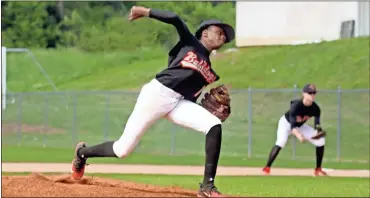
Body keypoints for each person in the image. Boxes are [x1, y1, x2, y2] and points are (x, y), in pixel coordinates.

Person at [70, 5, 235, 198]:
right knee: (122, 149)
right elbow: (175, 18)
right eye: (219, 32)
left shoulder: (210, 72)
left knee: (213, 124)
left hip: (178, 102)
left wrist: (203, 110)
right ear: (205, 33)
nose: (223, 36)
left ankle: (207, 186)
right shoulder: (190, 43)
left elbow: (190, 96)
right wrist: (144, 11)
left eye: (225, 35)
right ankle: (82, 153)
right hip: (158, 94)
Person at [262, 84, 328, 176]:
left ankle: (318, 169)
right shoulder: (296, 106)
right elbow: (292, 127)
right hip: (286, 123)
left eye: (314, 93)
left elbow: (317, 124)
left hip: (300, 126)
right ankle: (267, 167)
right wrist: (299, 136)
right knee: (281, 142)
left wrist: (318, 131)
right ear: (304, 94)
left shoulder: (316, 109)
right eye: (310, 93)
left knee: (321, 141)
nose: (312, 95)